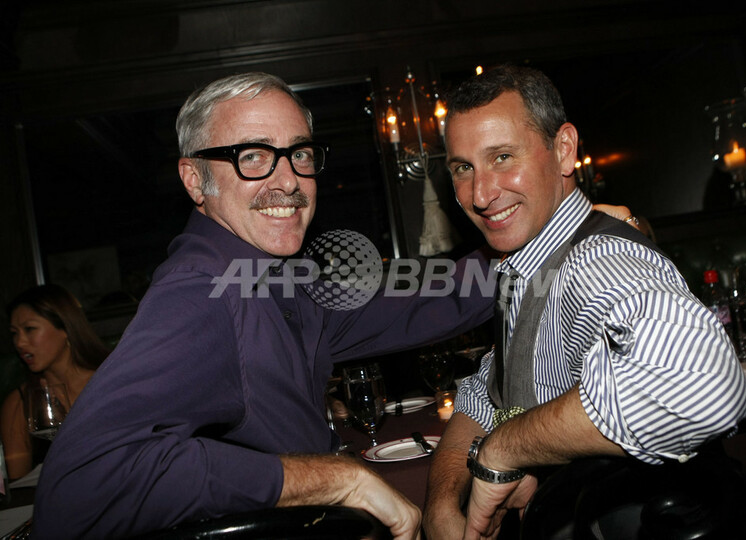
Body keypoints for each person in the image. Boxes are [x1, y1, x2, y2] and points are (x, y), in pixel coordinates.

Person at [31, 72, 497, 540]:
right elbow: (79, 489)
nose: (289, 180)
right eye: (252, 155)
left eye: (300, 153)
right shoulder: (201, 293)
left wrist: (525, 246)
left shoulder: (272, 277)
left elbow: (427, 299)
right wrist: (336, 479)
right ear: (195, 180)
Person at [422, 65, 746, 540]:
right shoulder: (523, 266)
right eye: (463, 168)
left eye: (502, 157)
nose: (481, 194)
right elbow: (487, 392)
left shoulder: (595, 258)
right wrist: (441, 502)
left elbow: (703, 387)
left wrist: (505, 448)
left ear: (563, 149)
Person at [2, 284, 108, 480]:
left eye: (30, 329)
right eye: (14, 333)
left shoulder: (110, 382)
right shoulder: (20, 402)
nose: (20, 342)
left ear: (66, 328)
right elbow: (18, 484)